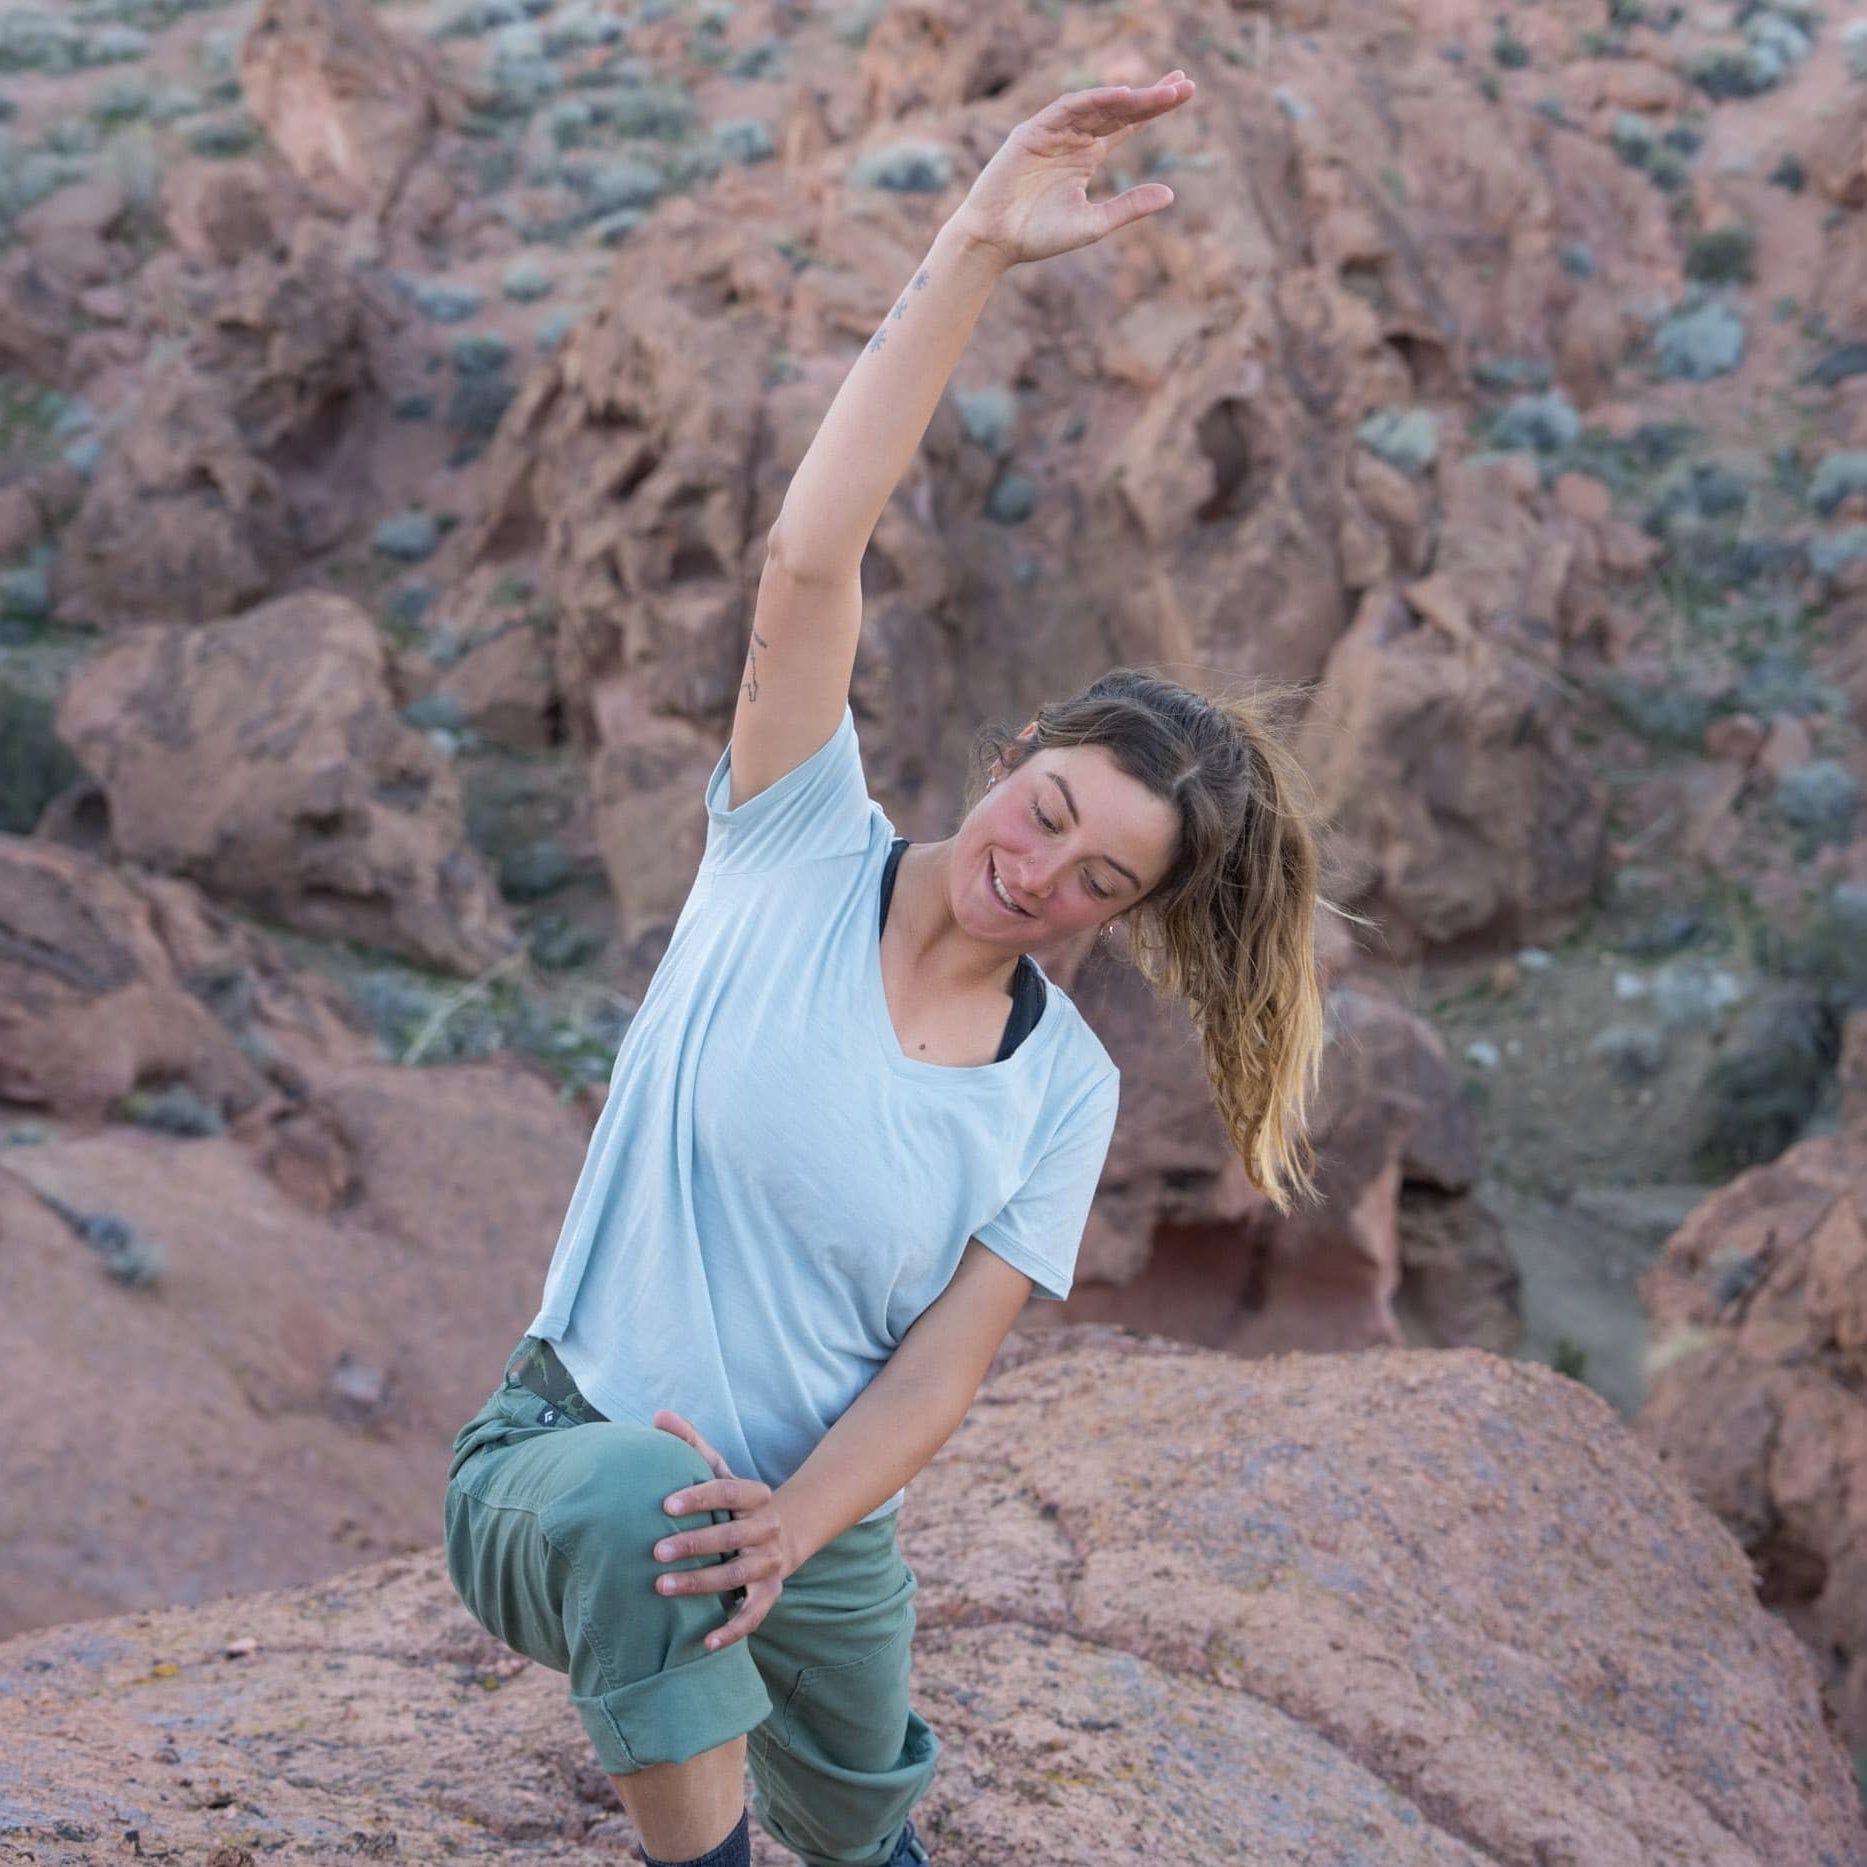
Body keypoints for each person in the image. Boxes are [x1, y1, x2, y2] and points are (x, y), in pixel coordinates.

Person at [443, 71, 1327, 1867]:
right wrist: (975, 248)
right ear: (1012, 749)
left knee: (871, 1831)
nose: (1038, 870)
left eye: (1097, 877)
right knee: (646, 1517)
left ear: (1118, 916)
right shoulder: (792, 838)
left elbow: (936, 1378)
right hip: (566, 1453)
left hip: (820, 1527)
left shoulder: (1056, 1093)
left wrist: (795, 1530)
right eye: (1048, 806)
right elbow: (809, 550)